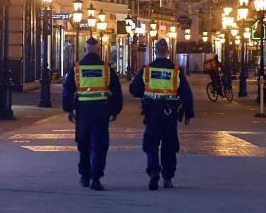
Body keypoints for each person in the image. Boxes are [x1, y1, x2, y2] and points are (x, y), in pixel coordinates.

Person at [129, 39, 195, 190]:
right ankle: (168, 177)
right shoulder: (176, 71)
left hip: (151, 113)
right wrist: (189, 114)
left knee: (151, 144)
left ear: (155, 52)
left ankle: (153, 170)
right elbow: (186, 94)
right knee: (169, 146)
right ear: (168, 52)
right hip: (169, 114)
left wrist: (146, 92)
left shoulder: (147, 70)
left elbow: (133, 90)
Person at [62, 37, 123, 190]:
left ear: (85, 50)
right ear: (98, 49)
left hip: (83, 112)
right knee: (99, 145)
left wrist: (68, 110)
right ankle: (96, 178)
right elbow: (117, 91)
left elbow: (68, 91)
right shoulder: (106, 69)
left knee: (83, 144)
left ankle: (84, 176)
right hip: (101, 112)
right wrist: (115, 110)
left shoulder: (76, 68)